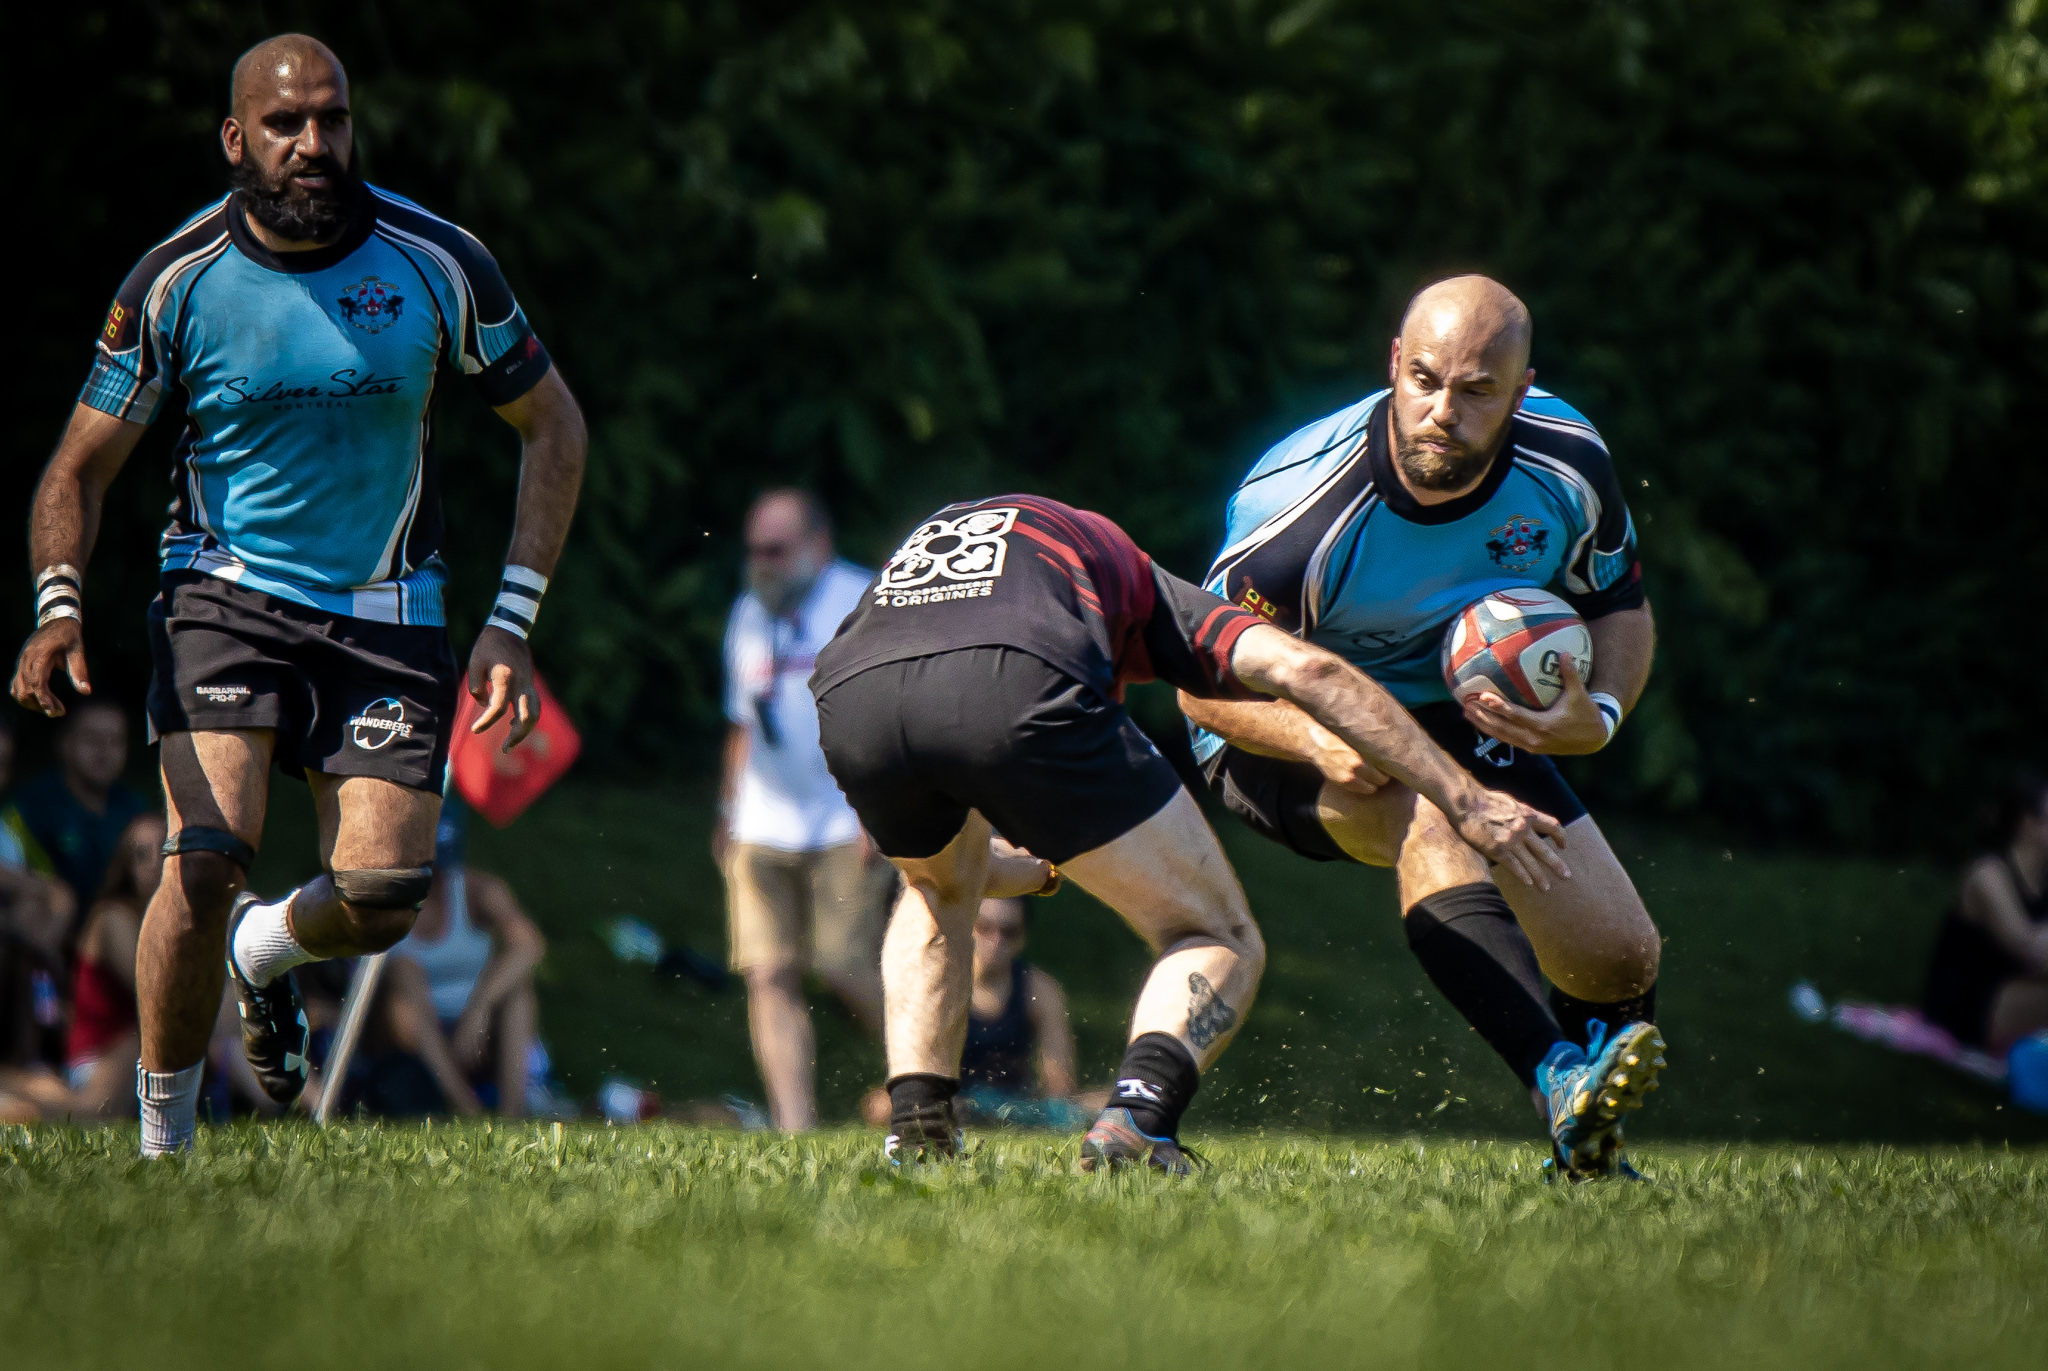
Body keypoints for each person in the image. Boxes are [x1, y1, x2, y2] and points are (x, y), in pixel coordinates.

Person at [9, 35, 587, 1156]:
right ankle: (163, 1147)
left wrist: (511, 620)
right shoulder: (175, 280)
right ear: (236, 140)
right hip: (220, 602)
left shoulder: (437, 262)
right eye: (285, 126)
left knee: (381, 897)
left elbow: (551, 423)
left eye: (331, 119)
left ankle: (262, 950)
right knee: (204, 854)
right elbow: (76, 468)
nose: (313, 145)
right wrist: (59, 603)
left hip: (386, 612)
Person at [810, 492, 1574, 1172]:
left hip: (853, 692)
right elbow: (1310, 674)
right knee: (1216, 931)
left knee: (936, 887)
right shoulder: (1138, 583)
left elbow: (966, 856)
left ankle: (918, 1134)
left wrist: (1053, 865)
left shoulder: (975, 553)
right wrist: (1465, 799)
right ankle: (1139, 1117)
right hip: (1020, 680)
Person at [1181, 274, 1667, 1178]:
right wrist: (1319, 736)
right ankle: (1558, 1080)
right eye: (1427, 379)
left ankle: (1591, 1154)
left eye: (1479, 390)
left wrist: (1595, 715)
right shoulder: (1298, 509)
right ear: (1395, 365)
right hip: (1278, 727)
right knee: (1435, 813)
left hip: (1454, 711)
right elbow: (1198, 691)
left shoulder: (1568, 463)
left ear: (1522, 393)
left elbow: (1620, 607)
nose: (1444, 410)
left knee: (1618, 956)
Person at [717, 489, 893, 1130]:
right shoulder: (748, 613)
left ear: (818, 546)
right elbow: (740, 722)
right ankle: (795, 1127)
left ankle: (922, 1079)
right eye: (754, 549)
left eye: (776, 549)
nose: (761, 562)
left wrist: (882, 809)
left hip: (845, 822)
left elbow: (889, 715)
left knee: (846, 968)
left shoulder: (860, 601)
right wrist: (727, 813)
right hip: (761, 825)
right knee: (768, 974)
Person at [862, 894, 1106, 1130]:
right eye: (984, 928)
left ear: (1022, 937)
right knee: (884, 1106)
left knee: (1115, 1103)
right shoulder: (936, 988)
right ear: (966, 928)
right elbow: (915, 1074)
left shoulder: (1039, 990)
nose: (996, 941)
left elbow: (1060, 1086)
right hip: (951, 1100)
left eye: (1008, 932)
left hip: (1018, 1104)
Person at [375, 804, 553, 1117]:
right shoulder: (384, 899)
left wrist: (480, 1006)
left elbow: (528, 945)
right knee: (404, 972)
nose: (437, 877)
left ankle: (511, 1114)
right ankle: (465, 1108)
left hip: (476, 1028)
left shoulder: (478, 890)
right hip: (412, 1037)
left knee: (518, 994)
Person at [1922, 773, 2048, 1053]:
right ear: (2028, 823)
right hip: (1967, 1007)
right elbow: (2029, 948)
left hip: (2015, 993)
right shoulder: (1987, 874)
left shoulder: (2044, 882)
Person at [6, 701, 147, 913]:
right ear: (65, 743)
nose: (105, 750)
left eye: (116, 741)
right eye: (93, 739)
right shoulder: (31, 808)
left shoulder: (135, 810)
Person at [0, 717, 78, 1088]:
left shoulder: (8, 825)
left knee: (36, 931)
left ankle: (29, 1058)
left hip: (20, 940)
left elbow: (57, 893)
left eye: (2, 765)